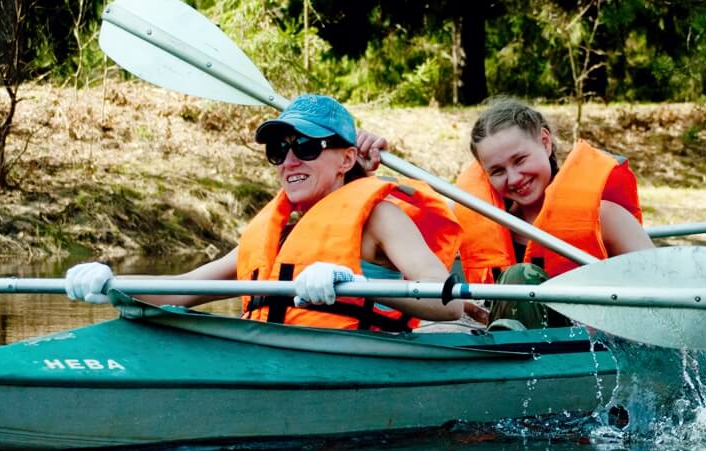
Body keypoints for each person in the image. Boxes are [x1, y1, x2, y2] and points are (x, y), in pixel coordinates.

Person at [63, 94, 484, 329]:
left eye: (305, 146)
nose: (289, 161)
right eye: (278, 149)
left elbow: (446, 305)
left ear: (345, 159)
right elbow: (181, 288)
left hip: (363, 364)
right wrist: (113, 283)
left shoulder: (380, 216)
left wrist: (356, 284)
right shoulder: (279, 231)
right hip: (278, 357)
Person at [451, 98, 653, 286]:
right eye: (497, 171)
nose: (513, 178)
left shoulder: (606, 216)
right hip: (503, 325)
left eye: (520, 160)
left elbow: (660, 282)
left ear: (545, 142)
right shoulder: (476, 220)